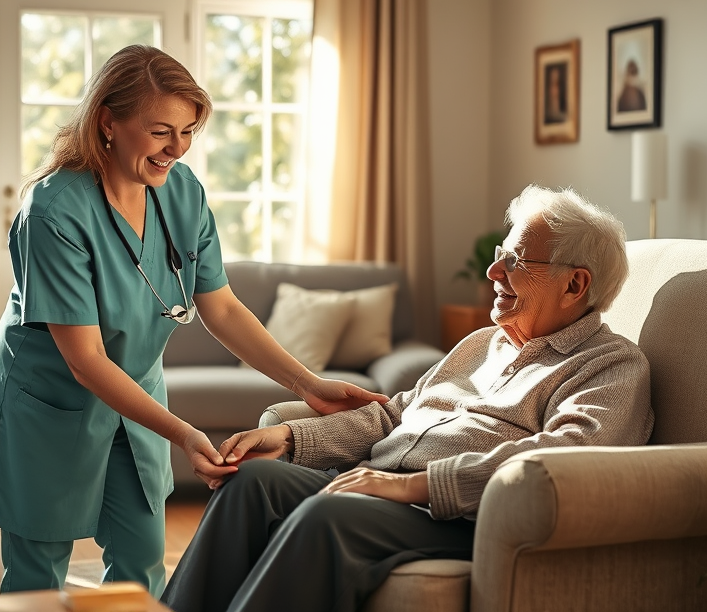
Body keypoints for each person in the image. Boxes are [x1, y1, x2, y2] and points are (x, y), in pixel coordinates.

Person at [0, 44, 387, 596]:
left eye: (189, 131)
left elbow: (224, 307)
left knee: (142, 563)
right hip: (53, 397)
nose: (178, 148)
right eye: (162, 130)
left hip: (136, 391)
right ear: (107, 122)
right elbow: (87, 360)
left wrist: (309, 385)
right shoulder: (53, 211)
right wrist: (185, 435)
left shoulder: (183, 193)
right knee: (37, 576)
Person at [162, 185, 655, 612]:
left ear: (575, 283)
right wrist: (292, 438)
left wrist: (409, 487)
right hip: (383, 490)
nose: (492, 270)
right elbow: (395, 414)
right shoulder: (481, 343)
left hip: (458, 515)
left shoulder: (610, 367)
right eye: (501, 253)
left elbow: (562, 461)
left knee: (327, 516)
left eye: (516, 260)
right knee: (250, 481)